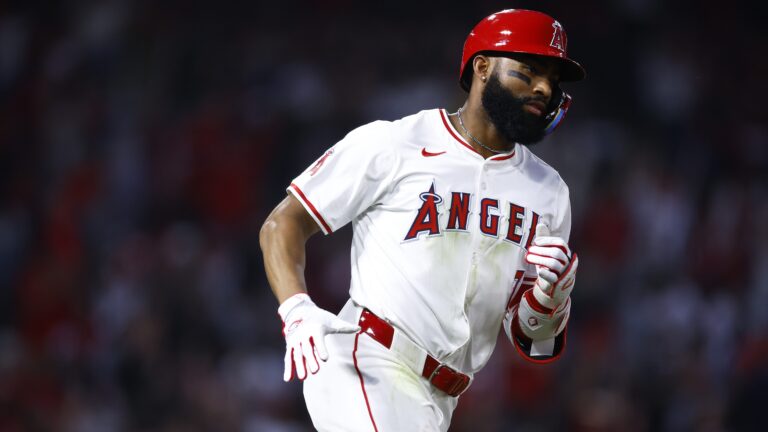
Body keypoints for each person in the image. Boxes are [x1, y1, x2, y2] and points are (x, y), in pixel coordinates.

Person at [260, 9, 585, 431]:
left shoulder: (549, 192)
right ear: (482, 67)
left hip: (440, 398)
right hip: (367, 362)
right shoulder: (397, 143)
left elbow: (535, 343)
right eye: (529, 70)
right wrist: (297, 308)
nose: (544, 87)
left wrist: (550, 299)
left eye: (553, 78)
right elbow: (283, 224)